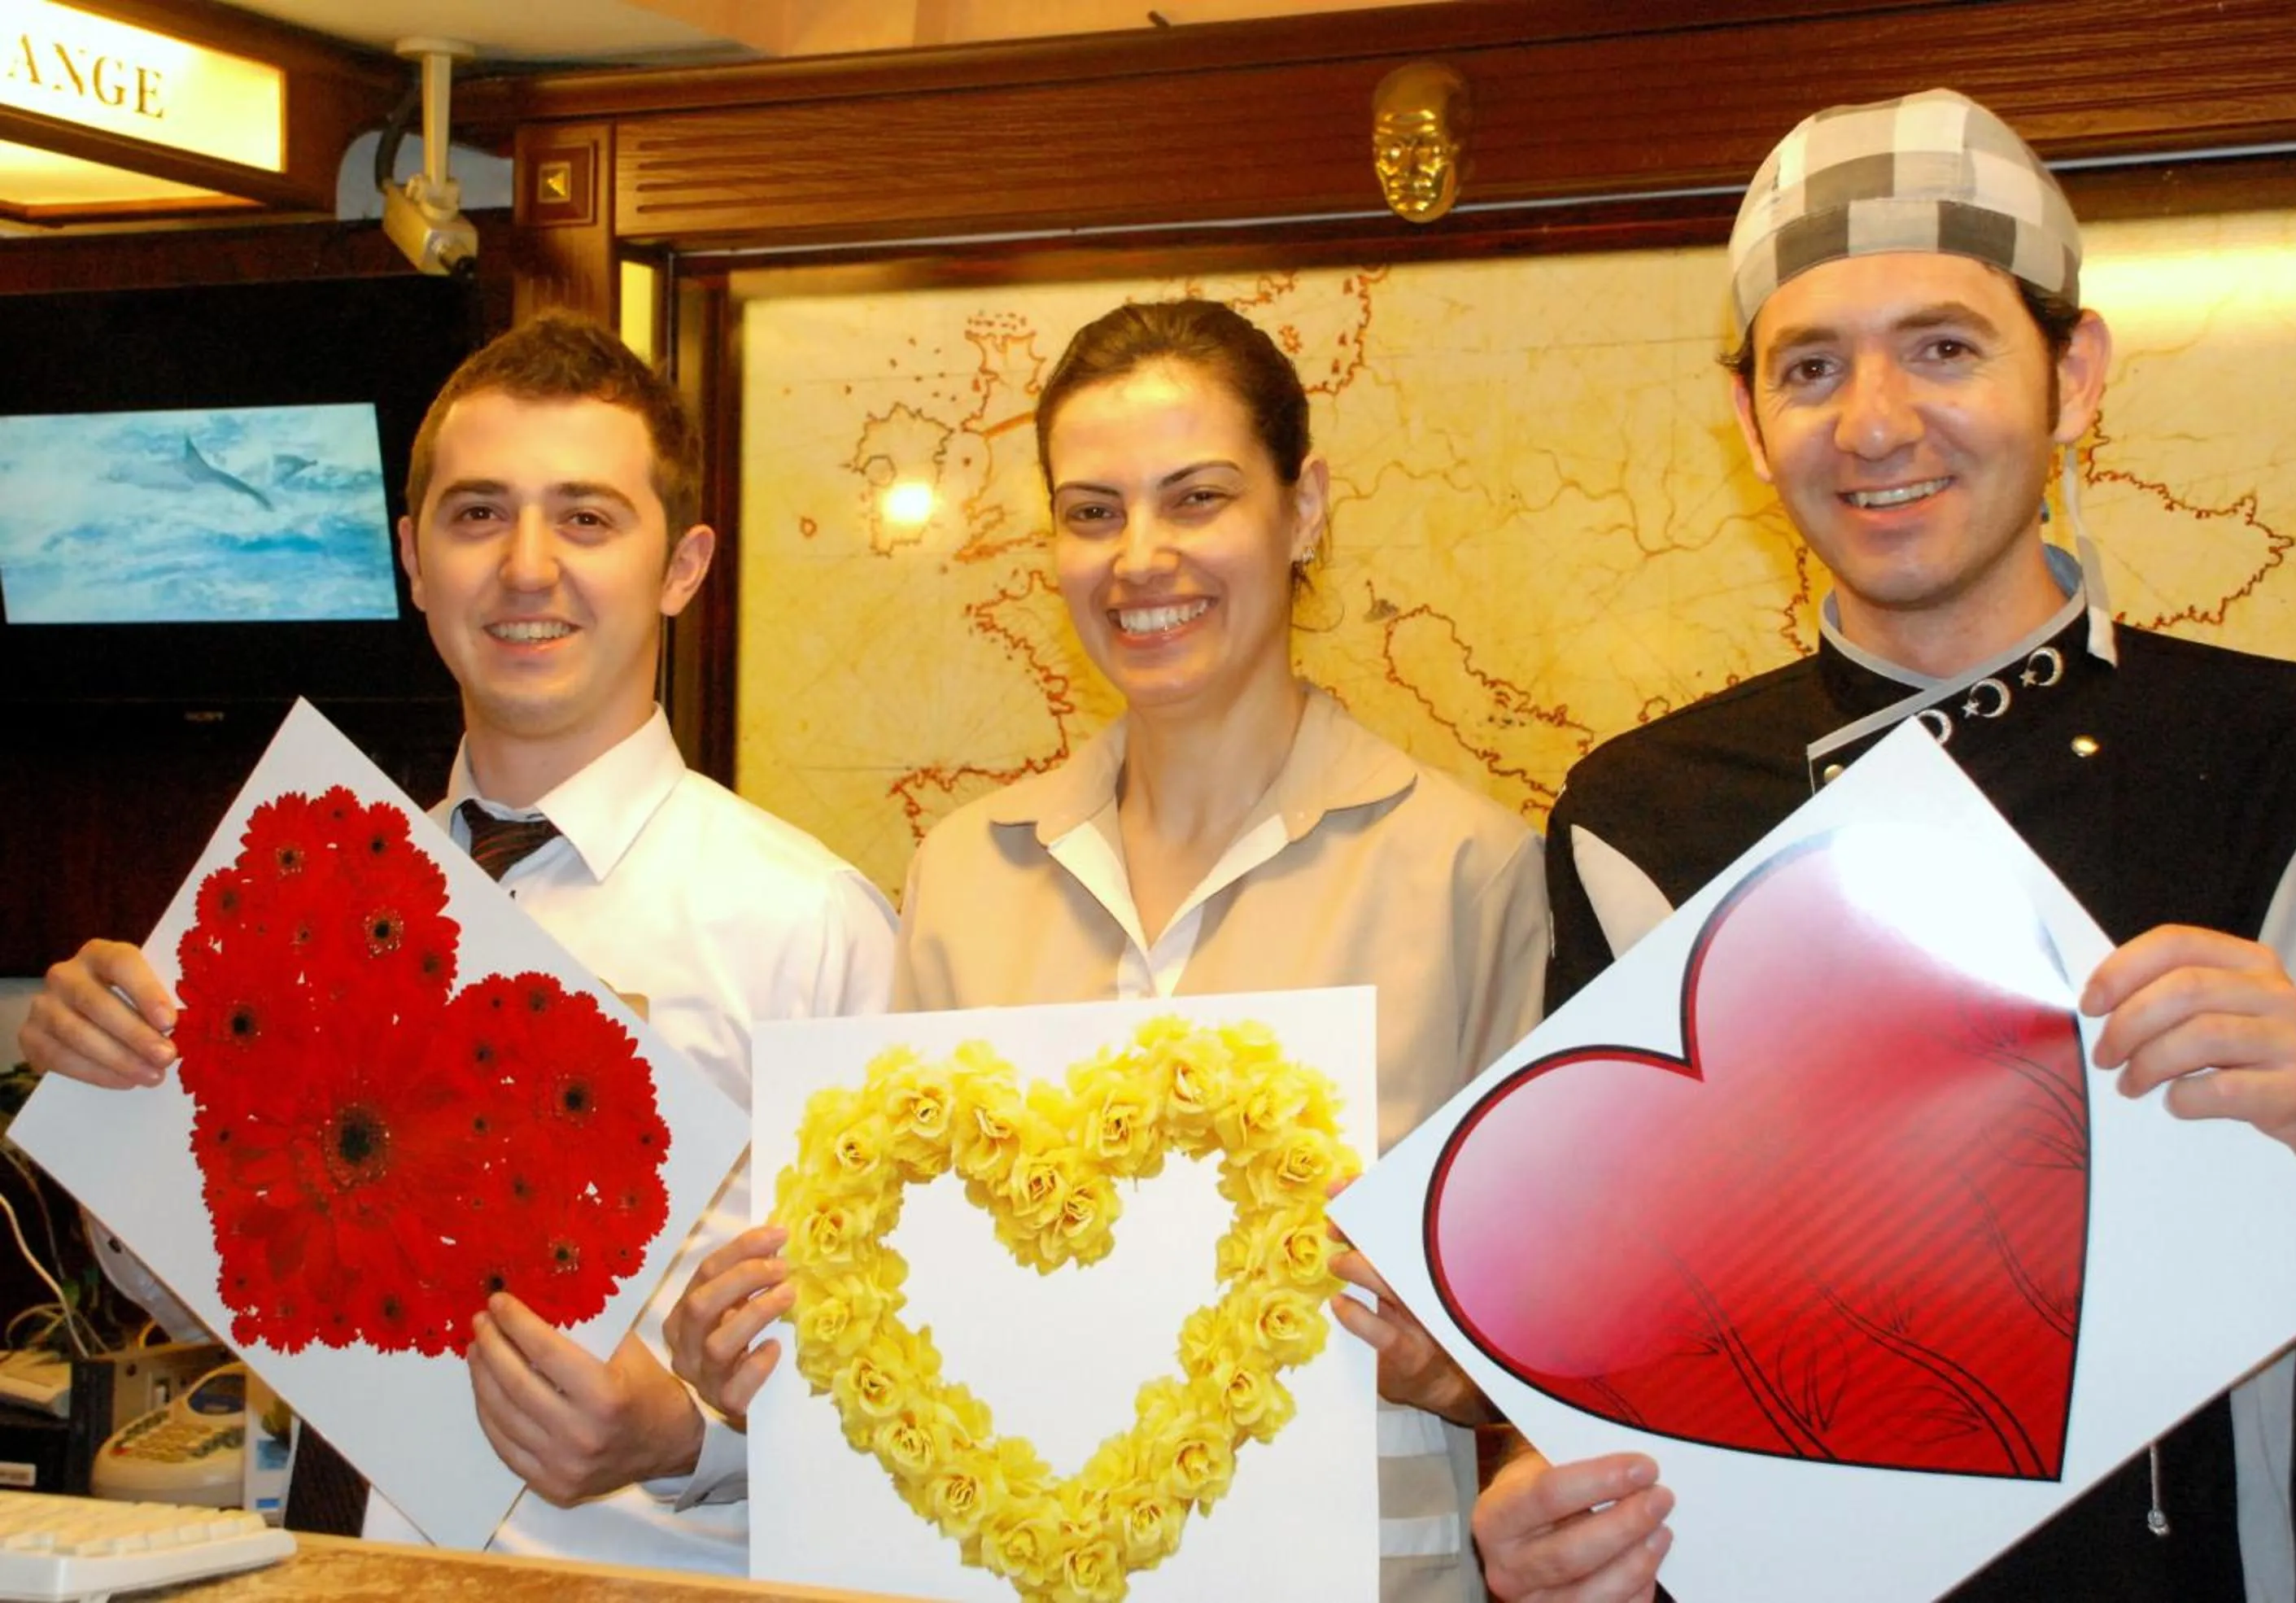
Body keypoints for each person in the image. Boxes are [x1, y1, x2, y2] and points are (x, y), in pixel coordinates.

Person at [1486, 87, 2296, 1602]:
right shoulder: (1642, 820)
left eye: (1945, 345)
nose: (1874, 422)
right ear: (1748, 423)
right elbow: (1632, 1346)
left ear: (2074, 375)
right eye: (1811, 367)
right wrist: (1557, 1520)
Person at [664, 297, 1550, 1601]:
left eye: (1198, 498)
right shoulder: (965, 870)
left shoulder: (1469, 867)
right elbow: (914, 1284)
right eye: (1092, 512)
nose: (1142, 556)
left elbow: (1551, 1327)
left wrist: (1454, 1363)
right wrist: (757, 1350)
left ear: (1303, 508)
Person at [15, 312, 896, 1574]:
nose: (527, 567)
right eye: (478, 515)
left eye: (587, 518)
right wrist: (119, 1099)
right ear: (413, 561)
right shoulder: (311, 892)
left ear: (684, 566)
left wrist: (682, 1440)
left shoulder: (810, 925)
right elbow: (207, 1292)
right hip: (314, 1572)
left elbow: (895, 1390)